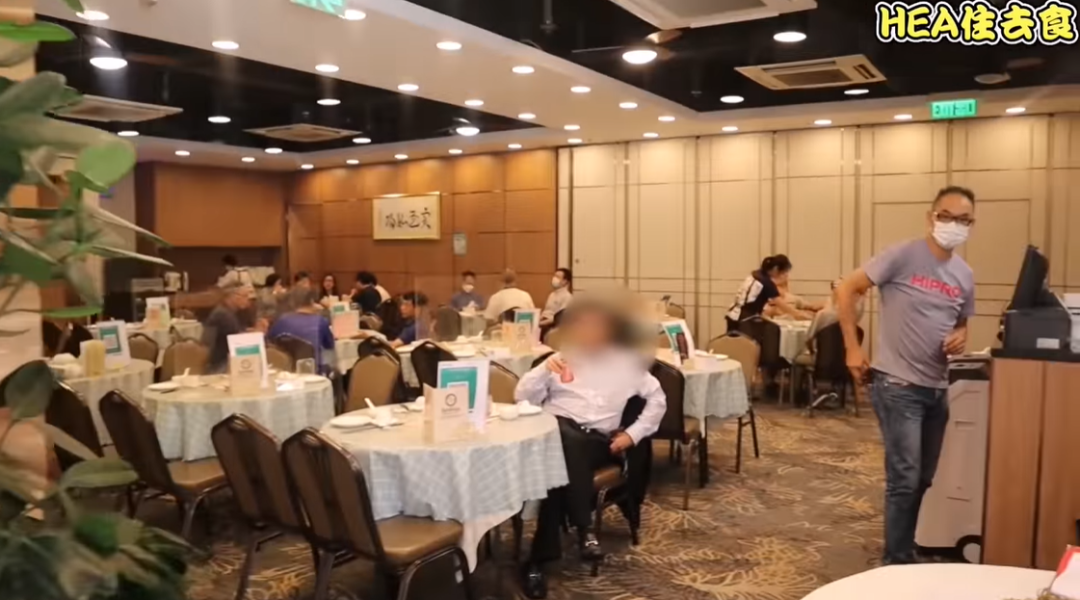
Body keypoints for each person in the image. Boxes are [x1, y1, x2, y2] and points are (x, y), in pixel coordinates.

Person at [836, 185, 976, 566]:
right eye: (947, 216)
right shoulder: (903, 255)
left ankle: (904, 548)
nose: (954, 225)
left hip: (937, 388)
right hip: (897, 385)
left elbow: (962, 322)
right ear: (931, 217)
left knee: (924, 478)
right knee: (905, 479)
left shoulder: (964, 275)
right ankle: (896, 560)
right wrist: (852, 347)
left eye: (964, 220)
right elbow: (847, 289)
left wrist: (961, 336)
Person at [514, 299, 666, 599]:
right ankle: (582, 529)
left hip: (597, 442)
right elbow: (522, 398)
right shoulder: (559, 359)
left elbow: (658, 399)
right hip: (554, 435)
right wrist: (543, 370)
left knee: (561, 466)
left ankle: (538, 561)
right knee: (563, 436)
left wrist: (633, 435)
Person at [725, 255, 810, 332]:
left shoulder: (755, 275)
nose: (784, 275)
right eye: (784, 272)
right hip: (745, 319)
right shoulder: (766, 283)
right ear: (776, 269)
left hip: (733, 316)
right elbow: (783, 305)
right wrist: (800, 315)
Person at [268, 288, 335, 370]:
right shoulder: (320, 321)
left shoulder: (282, 320)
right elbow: (330, 346)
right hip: (312, 370)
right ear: (312, 302)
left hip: (286, 369)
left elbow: (270, 341)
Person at [202, 283, 255, 373]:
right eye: (245, 296)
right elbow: (239, 341)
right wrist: (257, 332)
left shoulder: (227, 311)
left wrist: (252, 331)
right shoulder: (223, 315)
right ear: (232, 296)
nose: (248, 300)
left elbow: (235, 332)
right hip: (219, 365)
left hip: (222, 360)